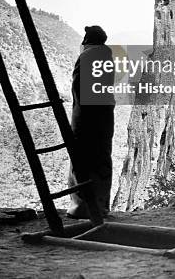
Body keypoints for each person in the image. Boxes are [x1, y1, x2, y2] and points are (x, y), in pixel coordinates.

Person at [67, 25, 115, 219]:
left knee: (82, 161)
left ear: (87, 39)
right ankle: (100, 205)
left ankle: (82, 207)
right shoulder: (107, 57)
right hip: (104, 119)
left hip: (86, 121)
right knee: (102, 159)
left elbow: (79, 92)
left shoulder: (86, 57)